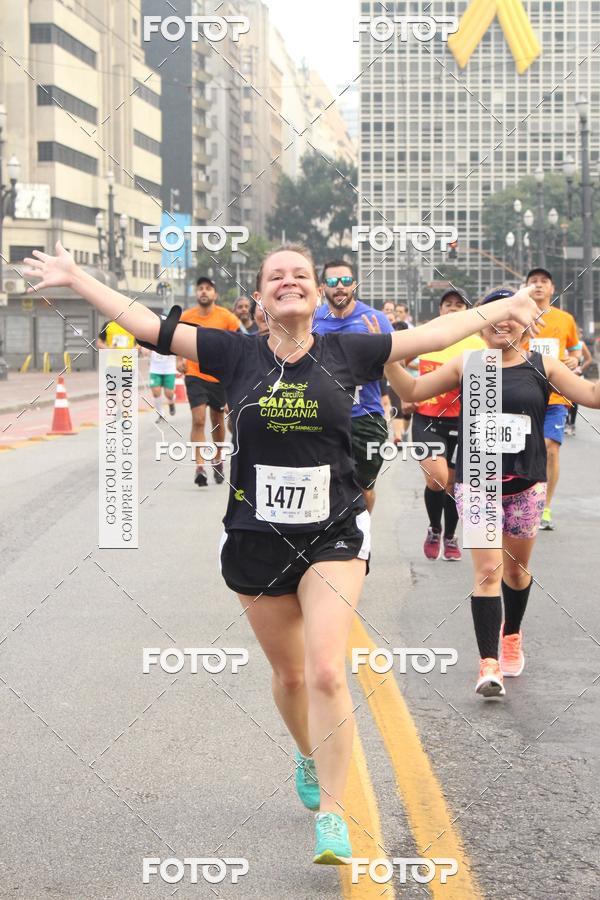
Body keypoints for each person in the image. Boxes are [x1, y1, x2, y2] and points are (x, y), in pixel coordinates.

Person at [23, 241, 541, 865]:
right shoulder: (234, 353)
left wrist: (504, 307)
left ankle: (333, 815)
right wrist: (77, 276)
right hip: (255, 537)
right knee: (291, 676)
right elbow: (147, 325)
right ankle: (307, 751)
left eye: (301, 275)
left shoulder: (349, 350)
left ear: (318, 295)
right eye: (276, 276)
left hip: (334, 533)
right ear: (260, 297)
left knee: (325, 671)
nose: (289, 281)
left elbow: (435, 333)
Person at [385, 287, 600, 698]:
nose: (502, 321)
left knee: (515, 572)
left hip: (525, 483)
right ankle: (488, 664)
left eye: (511, 314)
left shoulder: (542, 366)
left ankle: (511, 634)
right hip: (478, 482)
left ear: (527, 322)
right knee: (487, 572)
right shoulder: (468, 364)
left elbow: (591, 396)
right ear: (480, 323)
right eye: (493, 313)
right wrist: (390, 359)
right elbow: (412, 392)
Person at [410, 289, 486, 562]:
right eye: (448, 304)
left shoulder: (478, 343)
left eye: (459, 304)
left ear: (467, 310)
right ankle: (434, 527)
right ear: (440, 309)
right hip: (427, 418)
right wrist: (405, 394)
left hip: (462, 421)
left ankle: (450, 536)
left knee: (454, 485)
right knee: (437, 477)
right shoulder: (426, 336)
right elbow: (397, 362)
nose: (453, 308)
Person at [312, 260, 393, 513]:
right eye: (333, 281)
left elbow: (397, 366)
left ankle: (362, 531)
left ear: (354, 285)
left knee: (363, 487)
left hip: (365, 417)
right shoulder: (311, 320)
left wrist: (379, 348)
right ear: (323, 287)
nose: (340, 286)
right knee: (323, 483)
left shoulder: (375, 319)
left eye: (346, 281)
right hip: (323, 415)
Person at [522, 268, 580, 530]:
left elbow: (575, 351)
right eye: (533, 281)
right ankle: (524, 498)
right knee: (524, 449)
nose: (538, 285)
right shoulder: (518, 317)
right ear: (525, 287)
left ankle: (545, 506)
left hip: (556, 395)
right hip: (524, 394)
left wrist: (574, 360)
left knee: (550, 448)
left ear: (552, 288)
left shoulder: (565, 319)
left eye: (543, 281)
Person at [177, 277, 241, 487]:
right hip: (194, 374)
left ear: (215, 294)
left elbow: (239, 342)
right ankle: (200, 467)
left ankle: (218, 459)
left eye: (208, 289)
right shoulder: (187, 317)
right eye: (200, 288)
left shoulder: (227, 317)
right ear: (196, 293)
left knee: (217, 420)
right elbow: (176, 338)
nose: (204, 291)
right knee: (198, 420)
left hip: (219, 376)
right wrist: (179, 360)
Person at [565, 327, 594, 435]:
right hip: (564, 375)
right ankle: (566, 423)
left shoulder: (581, 344)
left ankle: (572, 424)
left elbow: (589, 359)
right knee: (564, 399)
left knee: (574, 400)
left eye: (580, 333)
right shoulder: (564, 343)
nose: (579, 334)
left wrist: (580, 369)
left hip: (576, 375)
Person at [148, 350, 177, 422]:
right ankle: (161, 414)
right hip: (155, 368)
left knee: (169, 394)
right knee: (155, 392)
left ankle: (171, 401)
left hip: (169, 368)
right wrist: (145, 350)